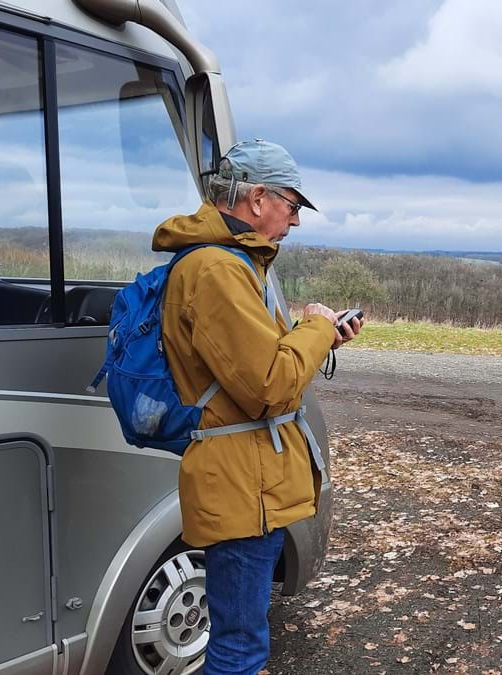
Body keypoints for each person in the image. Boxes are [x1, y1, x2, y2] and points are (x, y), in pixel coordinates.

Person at [151, 139, 361, 674]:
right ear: (259, 198)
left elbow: (255, 367)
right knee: (239, 647)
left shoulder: (236, 264)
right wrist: (315, 324)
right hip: (242, 486)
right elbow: (270, 385)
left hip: (252, 481)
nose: (294, 221)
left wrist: (321, 339)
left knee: (241, 637)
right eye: (293, 206)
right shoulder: (217, 271)